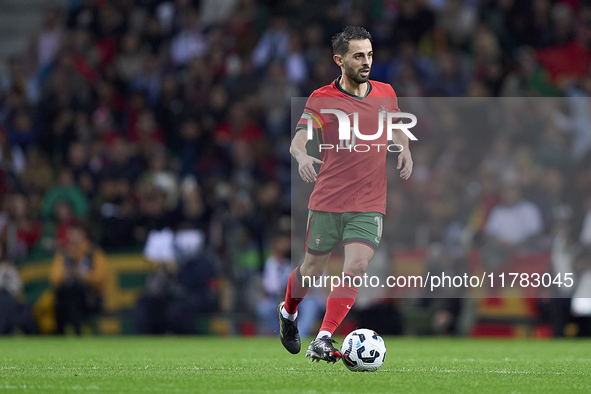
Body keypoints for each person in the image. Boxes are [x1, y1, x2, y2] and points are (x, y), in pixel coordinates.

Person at [278, 26, 413, 363]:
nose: (366, 61)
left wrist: (405, 149)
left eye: (369, 54)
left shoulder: (385, 92)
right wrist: (302, 155)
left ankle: (323, 338)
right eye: (358, 56)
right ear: (339, 60)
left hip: (369, 203)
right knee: (311, 271)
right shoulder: (322, 98)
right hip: (329, 200)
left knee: (357, 265)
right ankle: (288, 312)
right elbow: (298, 138)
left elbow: (396, 126)